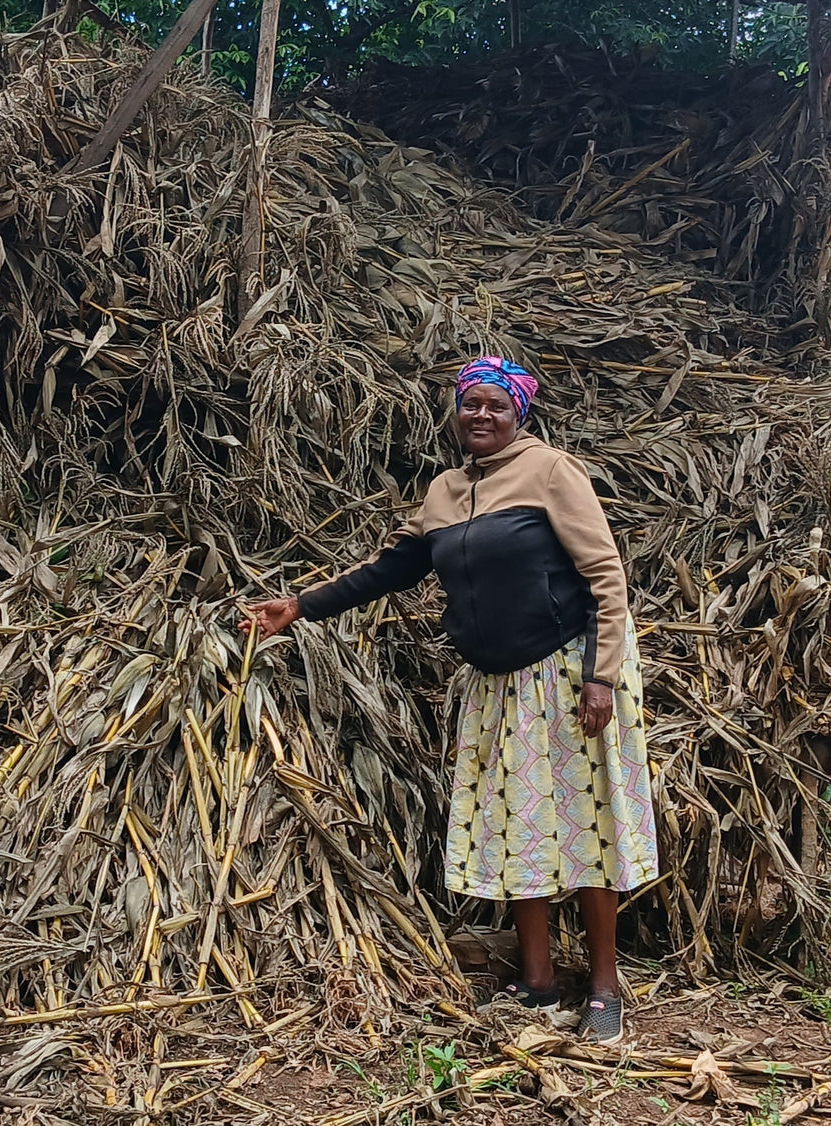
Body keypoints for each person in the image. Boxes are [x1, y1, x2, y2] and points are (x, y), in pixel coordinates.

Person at [241, 356, 658, 1044]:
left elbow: (605, 574)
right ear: (458, 413)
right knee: (518, 824)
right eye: (471, 406)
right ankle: (538, 981)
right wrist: (302, 605)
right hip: (497, 686)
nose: (482, 416)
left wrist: (601, 676)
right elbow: (393, 568)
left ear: (518, 411)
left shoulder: (551, 471)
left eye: (497, 406)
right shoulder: (444, 489)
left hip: (562, 674)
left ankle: (605, 988)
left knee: (587, 828)